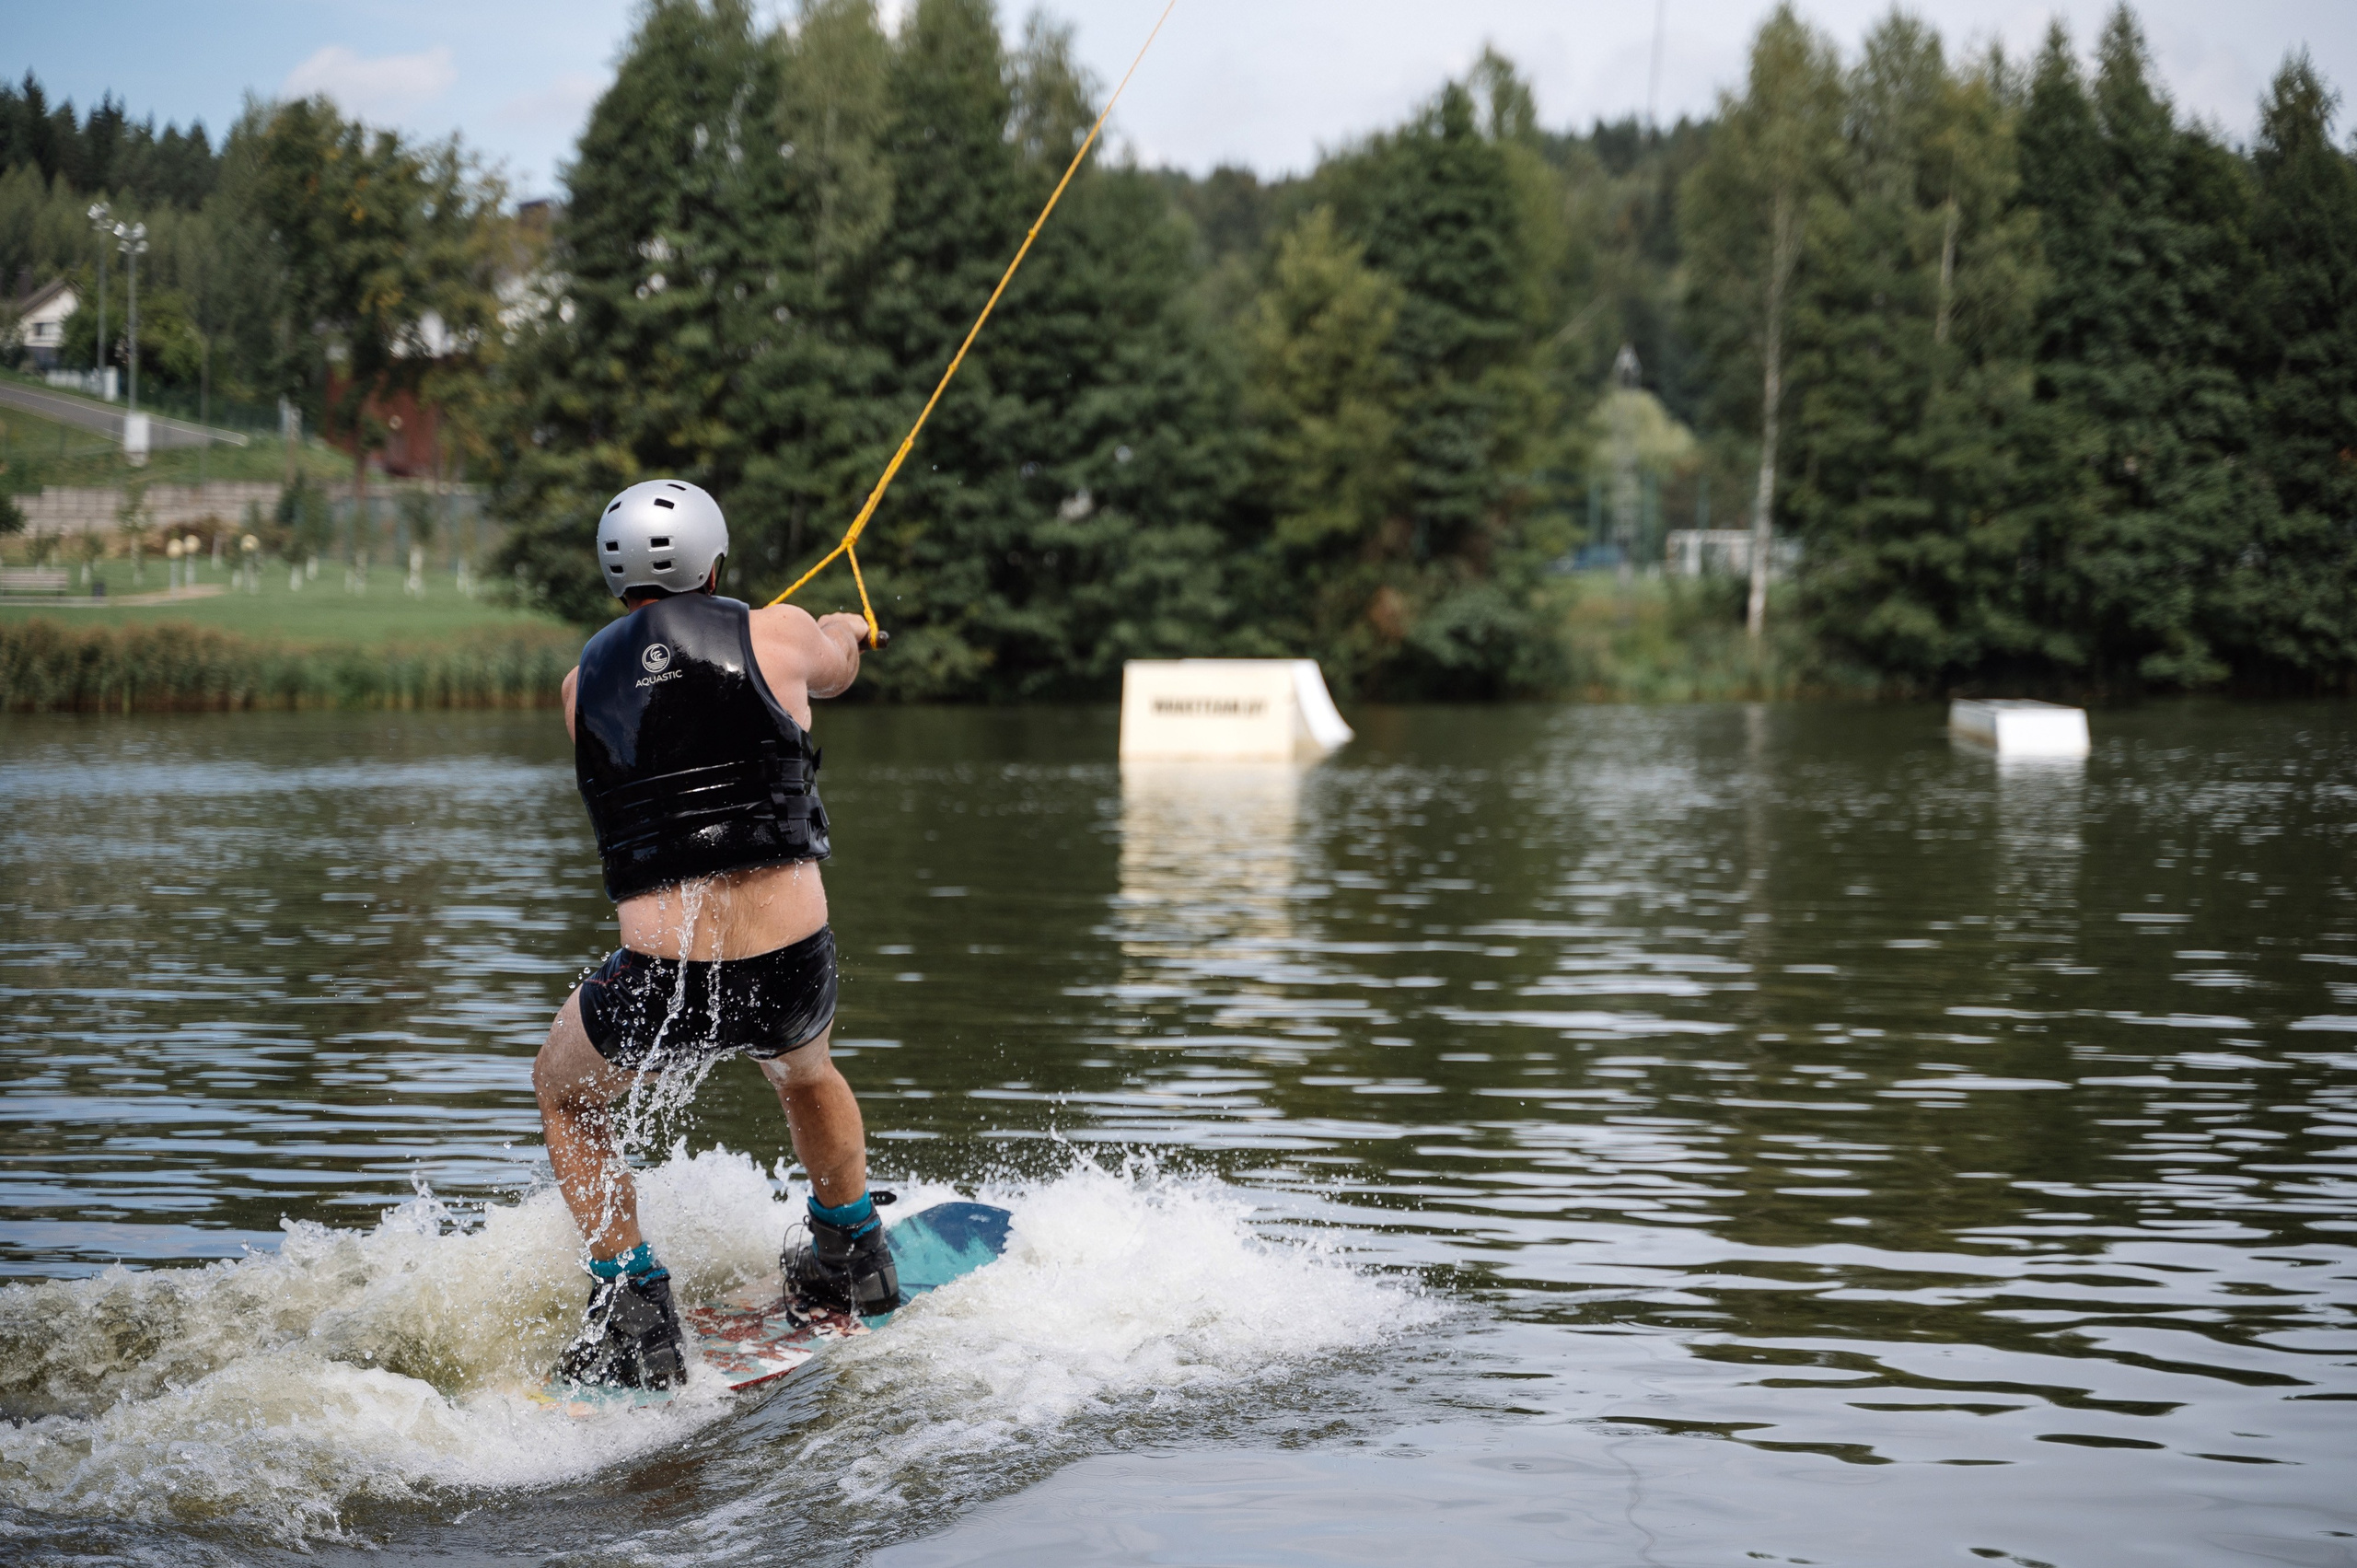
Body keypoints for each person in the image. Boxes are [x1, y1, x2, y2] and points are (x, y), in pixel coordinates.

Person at [533, 479, 897, 1389]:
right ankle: (852, 1250)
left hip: (666, 978)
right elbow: (836, 668)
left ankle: (632, 1304)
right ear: (716, 557)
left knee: (565, 1091)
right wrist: (846, 629)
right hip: (789, 965)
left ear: (615, 576)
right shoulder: (776, 630)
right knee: (804, 1068)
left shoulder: (580, 686)